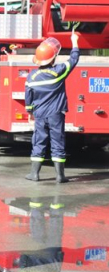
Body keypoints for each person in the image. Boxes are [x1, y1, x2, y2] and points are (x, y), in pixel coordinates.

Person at [24, 31, 79, 183]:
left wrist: (30, 111)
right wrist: (74, 41)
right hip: (56, 114)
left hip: (40, 114)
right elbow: (74, 59)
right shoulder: (58, 72)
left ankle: (34, 174)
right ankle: (60, 176)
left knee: (39, 141)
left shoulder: (31, 77)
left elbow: (28, 97)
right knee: (58, 142)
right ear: (53, 57)